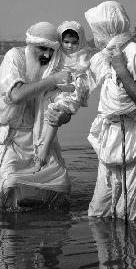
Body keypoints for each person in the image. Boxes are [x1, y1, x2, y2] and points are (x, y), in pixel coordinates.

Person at [84, 1, 136, 221]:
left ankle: (134, 251)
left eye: (96, 30)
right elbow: (82, 85)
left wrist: (121, 69)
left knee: (131, 213)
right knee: (98, 211)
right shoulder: (106, 54)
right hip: (111, 132)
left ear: (106, 28)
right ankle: (105, 248)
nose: (94, 35)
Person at [0, 21, 73, 208]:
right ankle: (7, 234)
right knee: (8, 188)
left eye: (52, 50)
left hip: (40, 138)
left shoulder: (53, 66)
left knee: (60, 186)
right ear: (30, 44)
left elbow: (65, 105)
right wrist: (53, 80)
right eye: (43, 48)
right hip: (10, 136)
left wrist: (64, 117)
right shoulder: (15, 57)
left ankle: (47, 231)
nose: (47, 55)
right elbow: (16, 95)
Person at [33, 21, 93, 171]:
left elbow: (78, 85)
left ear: (80, 42)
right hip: (53, 89)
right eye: (66, 42)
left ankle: (44, 150)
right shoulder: (57, 54)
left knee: (56, 110)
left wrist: (60, 85)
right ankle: (42, 154)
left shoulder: (83, 58)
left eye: (74, 42)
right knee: (44, 117)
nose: (69, 46)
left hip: (69, 92)